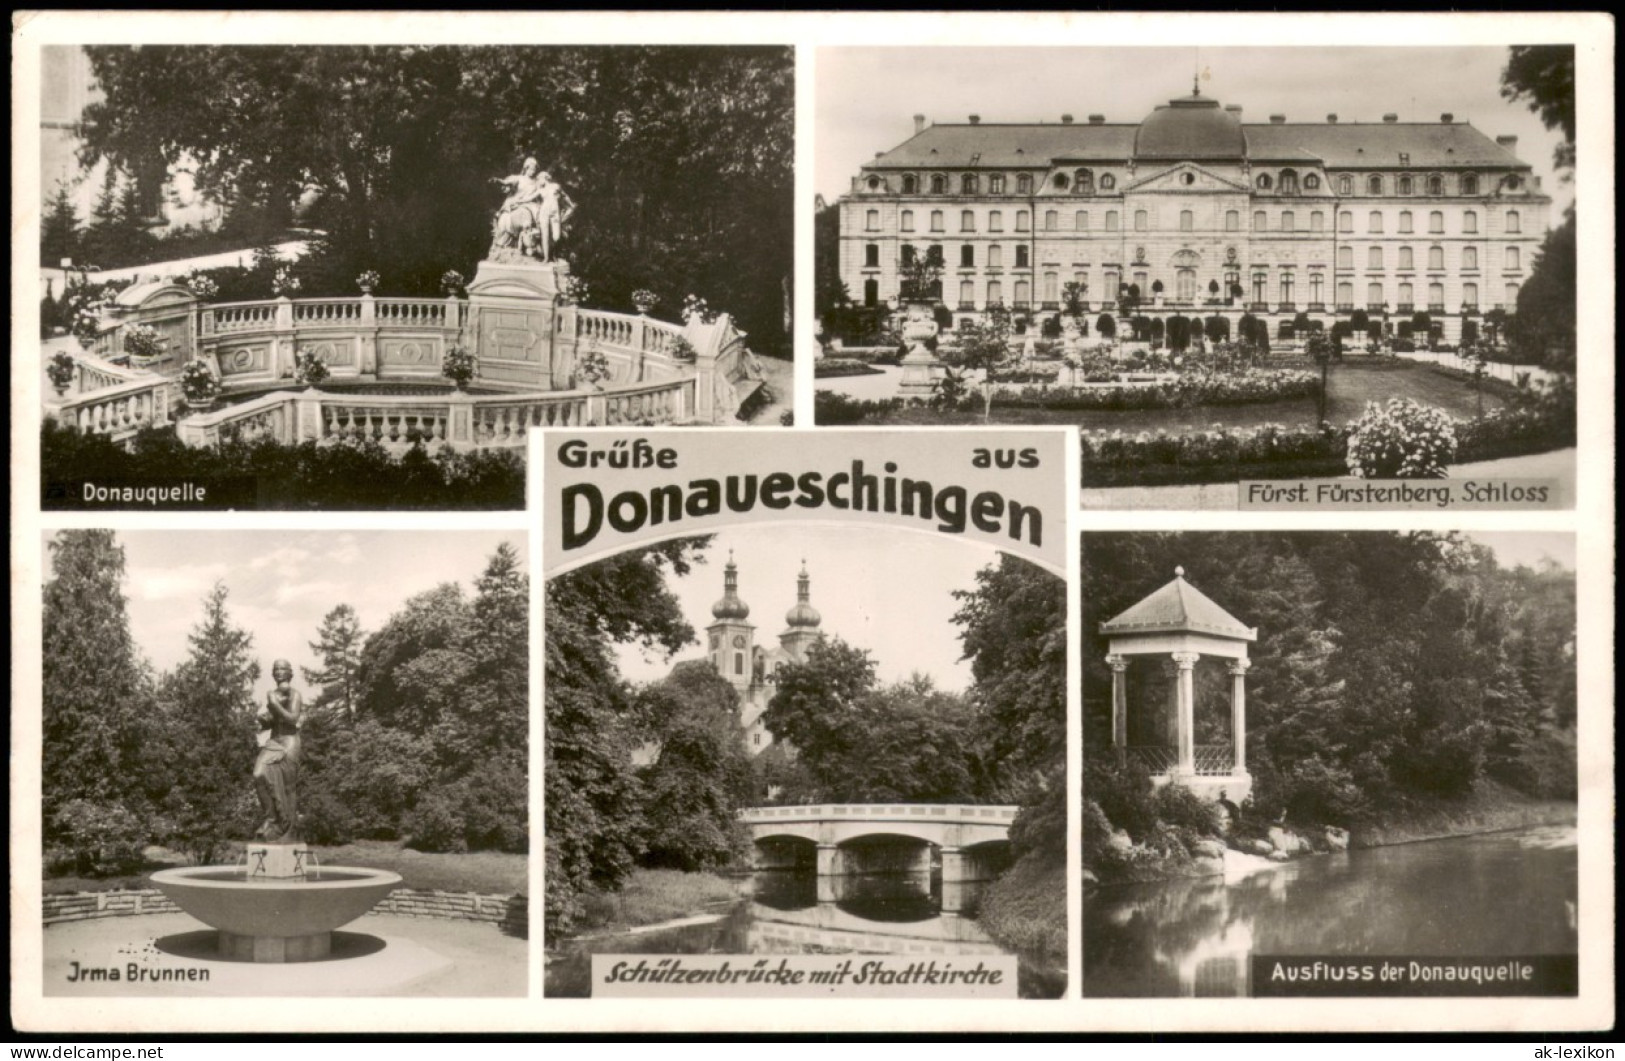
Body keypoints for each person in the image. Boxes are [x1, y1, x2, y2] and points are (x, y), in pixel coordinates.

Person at [253, 659, 305, 843]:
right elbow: (272, 722)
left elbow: (293, 719)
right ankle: (272, 819)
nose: (278, 671)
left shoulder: (294, 694)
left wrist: (275, 705)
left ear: (289, 672)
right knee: (259, 774)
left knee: (289, 787)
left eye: (282, 668)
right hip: (274, 740)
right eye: (275, 669)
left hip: (290, 742)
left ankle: (289, 828)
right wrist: (263, 719)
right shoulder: (273, 694)